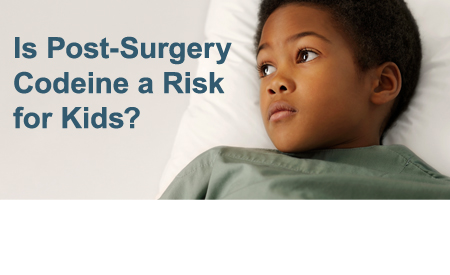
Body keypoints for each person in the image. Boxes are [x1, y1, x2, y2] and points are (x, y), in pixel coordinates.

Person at [159, 0, 450, 199]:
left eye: (305, 54)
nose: (275, 82)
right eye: (266, 68)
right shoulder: (220, 171)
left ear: (382, 83)